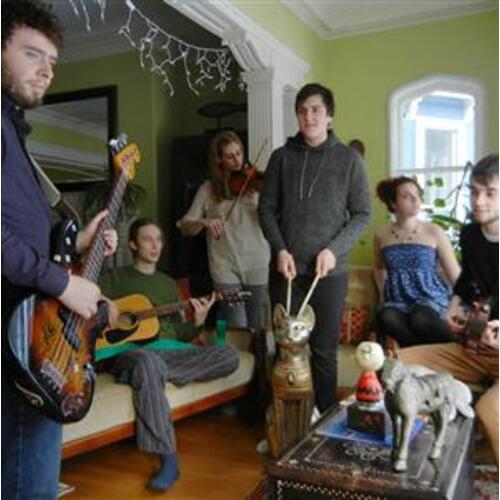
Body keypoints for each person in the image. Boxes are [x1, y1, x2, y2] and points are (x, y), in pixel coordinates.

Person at [1, 2, 117, 498]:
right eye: (32, 54)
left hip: (26, 322)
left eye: (52, 61)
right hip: (16, 329)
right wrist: (62, 284)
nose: (46, 70)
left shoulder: (12, 129)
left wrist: (79, 240)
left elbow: (18, 225)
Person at [99, 218, 240, 491]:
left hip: (168, 353)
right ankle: (169, 459)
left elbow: (180, 334)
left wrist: (197, 322)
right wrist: (104, 302)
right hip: (131, 352)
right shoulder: (115, 278)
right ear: (132, 244)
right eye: (147, 239)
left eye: (159, 239)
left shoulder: (167, 284)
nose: (155, 245)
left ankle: (146, 375)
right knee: (147, 361)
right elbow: (86, 297)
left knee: (230, 355)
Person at [258, 82, 371, 413]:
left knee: (323, 351)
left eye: (316, 110)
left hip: (329, 274)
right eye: (302, 111)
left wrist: (333, 250)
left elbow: (362, 214)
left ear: (329, 116)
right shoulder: (281, 158)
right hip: (286, 270)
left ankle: (324, 421)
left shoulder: (349, 160)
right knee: (284, 349)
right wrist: (280, 249)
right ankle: (283, 420)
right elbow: (266, 210)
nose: (309, 117)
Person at [399, 154, 499, 463]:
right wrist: (452, 309)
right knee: (396, 368)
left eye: (490, 193)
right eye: (474, 191)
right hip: (474, 349)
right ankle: (414, 461)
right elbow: (467, 282)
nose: (479, 201)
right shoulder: (470, 235)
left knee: (490, 410)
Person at [177, 130, 270, 333]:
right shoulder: (208, 190)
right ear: (219, 160)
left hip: (258, 263)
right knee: (237, 326)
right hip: (224, 267)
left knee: (258, 326)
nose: (237, 161)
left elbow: (275, 217)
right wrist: (204, 222)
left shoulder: (256, 184)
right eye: (230, 156)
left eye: (239, 153)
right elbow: (185, 226)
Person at [374, 176, 461, 347]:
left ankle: (457, 346)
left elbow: (456, 276)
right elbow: (379, 268)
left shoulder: (434, 231)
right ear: (393, 203)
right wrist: (381, 296)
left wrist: (458, 306)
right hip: (398, 300)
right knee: (386, 316)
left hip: (430, 298)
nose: (415, 200)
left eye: (417, 195)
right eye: (407, 196)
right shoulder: (381, 235)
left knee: (419, 317)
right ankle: (418, 354)